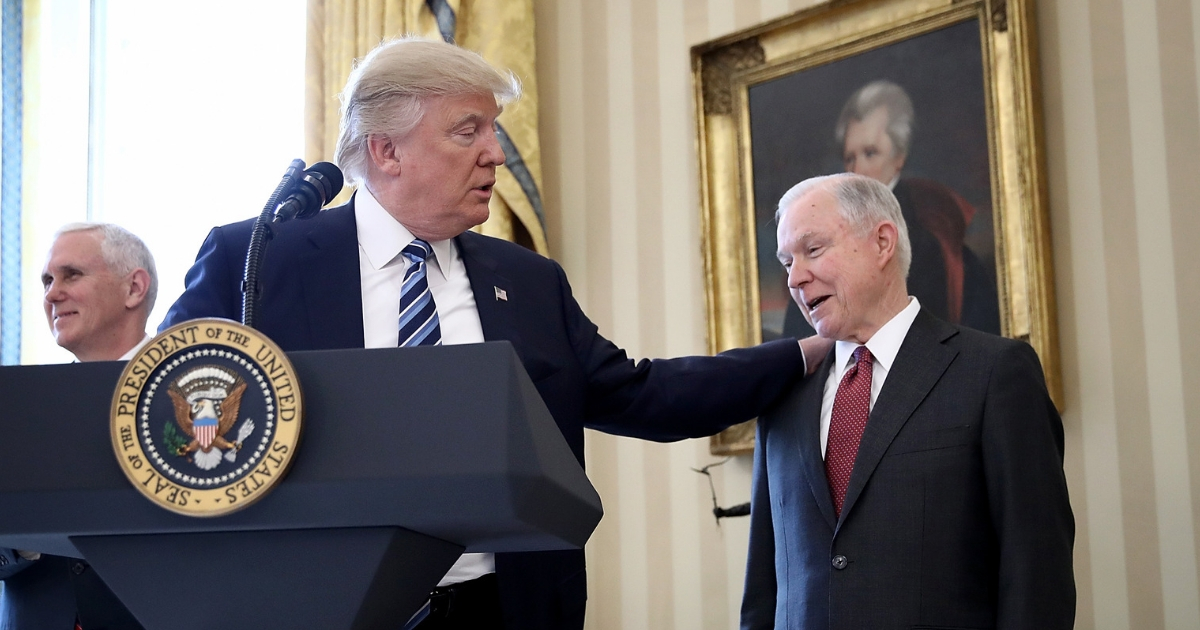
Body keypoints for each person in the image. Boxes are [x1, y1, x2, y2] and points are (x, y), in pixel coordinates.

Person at [159, 37, 827, 630]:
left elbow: (640, 394)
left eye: (493, 131)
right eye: (468, 130)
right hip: (319, 604)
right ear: (387, 150)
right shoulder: (257, 261)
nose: (495, 155)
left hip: (502, 606)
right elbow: (168, 415)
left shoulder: (529, 282)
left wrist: (805, 353)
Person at [741, 173, 1074, 629]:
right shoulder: (784, 393)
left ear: (882, 243)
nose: (796, 277)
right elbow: (764, 586)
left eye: (813, 250)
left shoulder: (994, 373)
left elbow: (1038, 575)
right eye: (786, 262)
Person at [0, 222, 156, 630]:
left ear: (134, 289)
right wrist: (27, 539)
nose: (52, 294)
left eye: (72, 275)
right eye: (47, 280)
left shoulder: (192, 400)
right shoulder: (20, 409)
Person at [782, 80, 1000, 337]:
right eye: (850, 157)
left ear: (899, 156)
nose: (857, 168)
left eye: (870, 153)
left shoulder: (930, 234)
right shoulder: (812, 276)